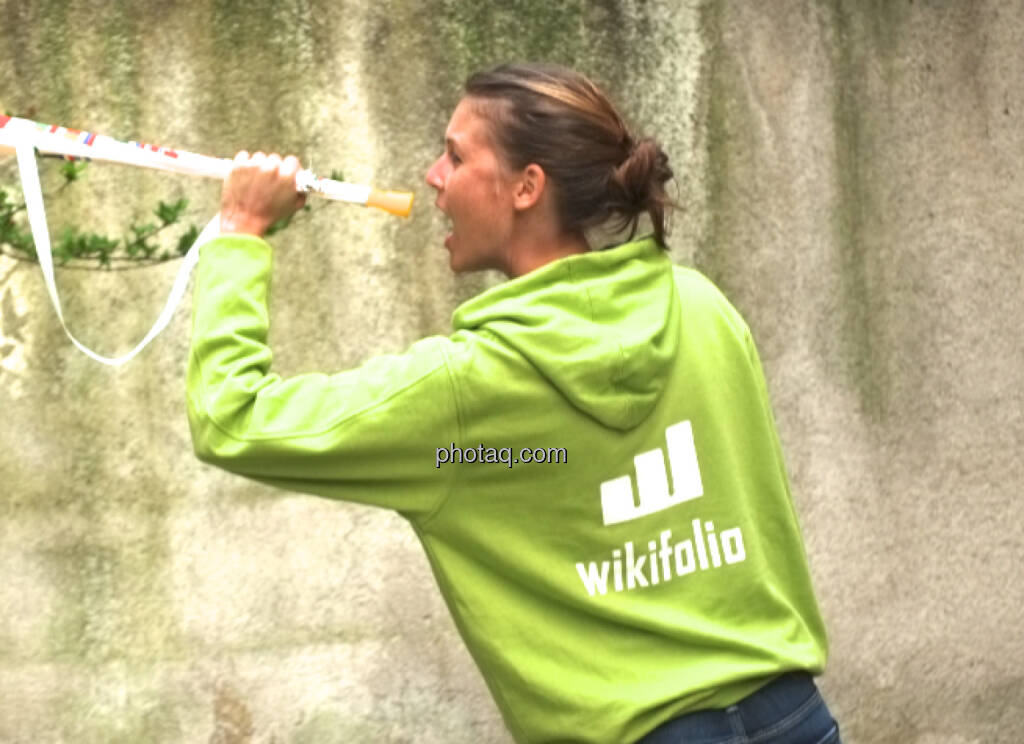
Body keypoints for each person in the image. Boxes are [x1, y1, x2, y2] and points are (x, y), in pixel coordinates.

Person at [187, 63, 842, 744]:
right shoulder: (702, 309)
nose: (433, 177)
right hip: (794, 717)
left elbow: (232, 417)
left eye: (455, 156)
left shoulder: (464, 395)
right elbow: (558, 460)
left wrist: (240, 230)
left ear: (528, 186)